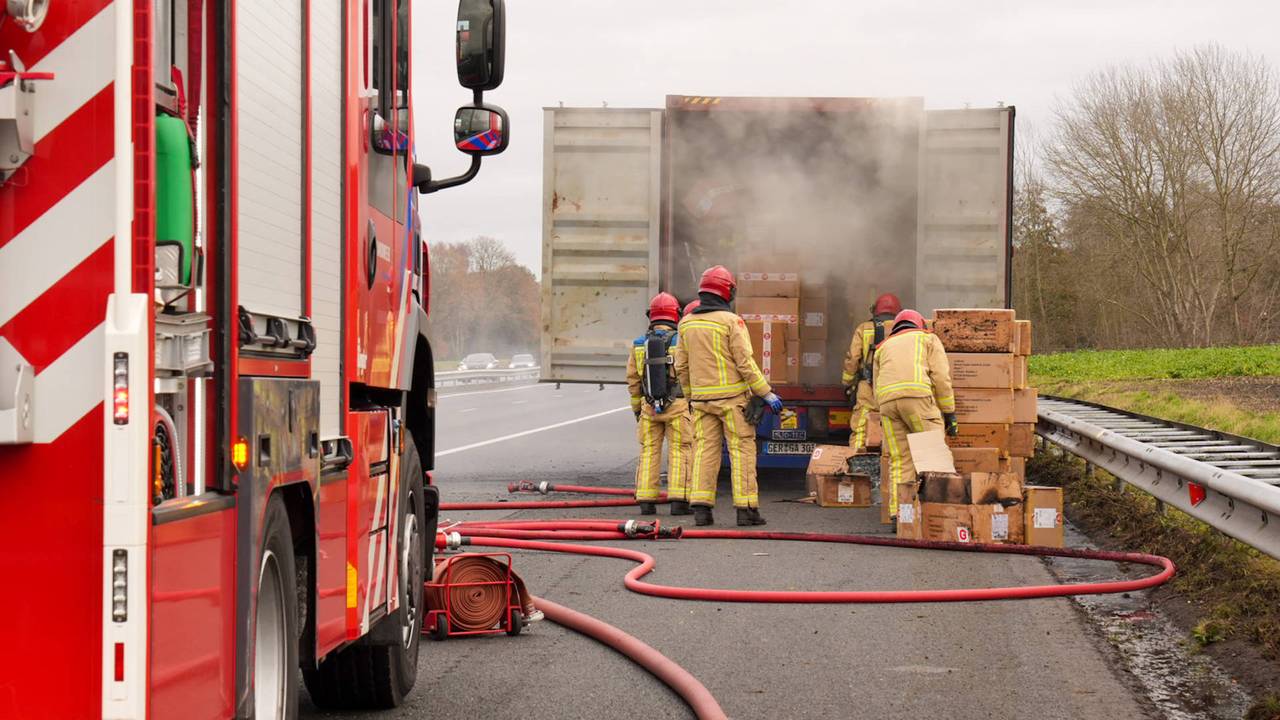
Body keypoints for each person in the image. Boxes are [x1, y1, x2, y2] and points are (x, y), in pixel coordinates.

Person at [675, 266, 783, 527]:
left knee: (704, 451)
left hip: (701, 402)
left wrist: (691, 396)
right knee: (742, 450)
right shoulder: (731, 322)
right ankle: (746, 510)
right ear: (728, 291)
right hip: (732, 400)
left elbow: (681, 365)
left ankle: (701, 509)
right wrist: (765, 392)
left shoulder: (687, 323)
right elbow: (745, 362)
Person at [873, 309, 958, 521]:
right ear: (919, 324)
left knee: (900, 460)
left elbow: (876, 386)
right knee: (932, 455)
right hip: (918, 400)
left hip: (887, 406)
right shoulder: (927, 338)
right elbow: (941, 378)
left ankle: (900, 514)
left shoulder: (882, 347)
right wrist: (949, 413)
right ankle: (937, 513)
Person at [626, 293, 693, 516]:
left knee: (648, 452)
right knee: (680, 451)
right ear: (676, 315)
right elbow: (689, 373)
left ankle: (646, 500)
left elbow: (634, 380)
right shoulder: (681, 340)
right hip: (679, 406)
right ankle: (679, 501)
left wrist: (638, 408)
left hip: (648, 407)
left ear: (651, 316)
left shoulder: (639, 344)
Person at [840, 293, 902, 451]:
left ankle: (857, 460)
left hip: (867, 387)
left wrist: (847, 383)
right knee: (895, 427)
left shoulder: (864, 328)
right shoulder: (903, 329)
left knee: (861, 425)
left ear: (875, 311)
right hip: (894, 387)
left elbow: (853, 358)